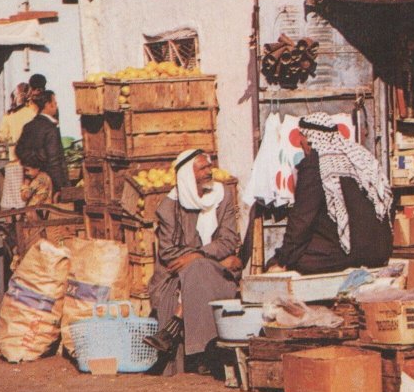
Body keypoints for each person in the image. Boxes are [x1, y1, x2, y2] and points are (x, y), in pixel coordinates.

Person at [144, 149, 241, 375]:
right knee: (197, 271)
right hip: (175, 277)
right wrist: (206, 258)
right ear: (188, 175)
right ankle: (203, 352)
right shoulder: (169, 207)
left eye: (210, 166)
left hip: (217, 273)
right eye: (203, 168)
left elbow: (229, 239)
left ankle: (174, 328)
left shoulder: (222, 195)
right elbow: (169, 254)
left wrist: (199, 255)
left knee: (199, 268)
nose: (210, 172)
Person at [265, 112, 394, 275]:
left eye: (301, 139)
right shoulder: (361, 157)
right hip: (378, 253)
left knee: (286, 261)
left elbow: (301, 220)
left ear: (309, 139)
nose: (300, 145)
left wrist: (282, 260)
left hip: (346, 255)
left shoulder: (315, 165)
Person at [15, 90, 69, 197]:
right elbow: (54, 161)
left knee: (32, 209)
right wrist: (60, 187)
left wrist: (32, 164)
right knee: (43, 211)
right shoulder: (50, 129)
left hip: (30, 180)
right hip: (47, 182)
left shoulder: (28, 126)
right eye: (55, 102)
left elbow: (19, 150)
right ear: (48, 105)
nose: (56, 105)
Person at [0, 83, 38, 209]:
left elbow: (2, 137)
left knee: (14, 200)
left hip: (14, 161)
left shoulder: (9, 115)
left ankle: (14, 224)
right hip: (31, 162)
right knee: (29, 198)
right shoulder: (32, 113)